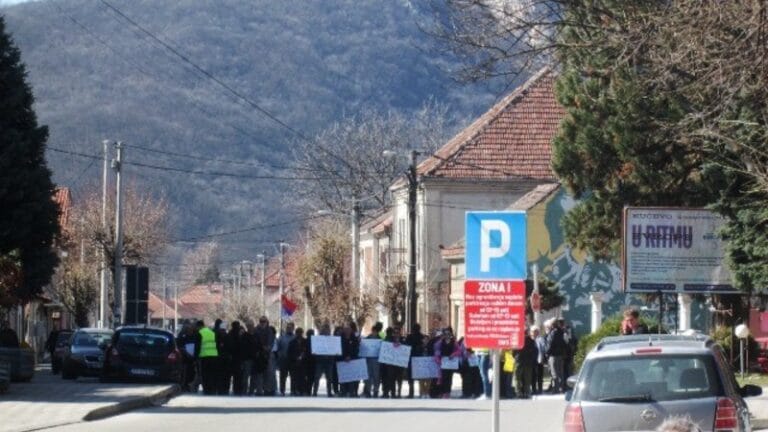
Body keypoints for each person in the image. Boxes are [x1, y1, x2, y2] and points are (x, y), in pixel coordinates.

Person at [433, 327, 459, 399]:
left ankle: (448, 393)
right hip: (443, 362)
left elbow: (458, 351)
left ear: (450, 334)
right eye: (445, 334)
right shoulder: (440, 342)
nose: (447, 335)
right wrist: (438, 360)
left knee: (449, 378)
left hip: (451, 363)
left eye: (448, 333)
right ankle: (443, 392)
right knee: (443, 378)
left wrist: (453, 355)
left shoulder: (454, 342)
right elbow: (436, 351)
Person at [381, 326, 405, 398]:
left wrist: (400, 345)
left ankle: (399, 393)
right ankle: (393, 393)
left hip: (400, 364)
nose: (396, 334)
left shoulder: (403, 340)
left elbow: (406, 350)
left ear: (400, 333)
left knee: (399, 379)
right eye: (395, 333)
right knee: (391, 378)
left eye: (397, 333)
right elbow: (386, 349)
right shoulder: (389, 340)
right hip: (391, 364)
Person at [196, 320, 219, 395]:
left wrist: (196, 356)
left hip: (204, 356)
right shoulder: (212, 332)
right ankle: (213, 389)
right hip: (214, 355)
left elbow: (198, 346)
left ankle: (207, 390)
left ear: (199, 326)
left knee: (205, 374)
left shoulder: (200, 333)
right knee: (212, 373)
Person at [313, 322, 335, 397]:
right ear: (322, 330)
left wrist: (336, 352)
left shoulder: (333, 339)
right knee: (317, 377)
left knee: (329, 378)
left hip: (329, 361)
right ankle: (315, 392)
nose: (326, 331)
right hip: (320, 361)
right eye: (325, 329)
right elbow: (315, 350)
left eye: (327, 329)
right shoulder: (318, 339)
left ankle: (329, 392)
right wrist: (315, 352)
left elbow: (335, 349)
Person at [338, 322, 360, 397]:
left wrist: (350, 356)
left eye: (349, 329)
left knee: (351, 377)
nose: (347, 331)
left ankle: (352, 392)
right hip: (342, 360)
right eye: (346, 329)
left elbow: (356, 349)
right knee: (343, 377)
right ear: (344, 330)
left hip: (352, 360)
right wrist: (344, 357)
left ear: (351, 330)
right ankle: (343, 391)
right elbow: (339, 349)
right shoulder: (340, 339)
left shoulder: (354, 339)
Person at [514, 328, 538, 398]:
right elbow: (534, 351)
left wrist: (516, 357)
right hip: (528, 362)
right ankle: (527, 392)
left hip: (519, 361)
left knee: (518, 378)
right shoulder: (531, 341)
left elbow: (514, 351)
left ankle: (518, 392)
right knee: (527, 378)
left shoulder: (518, 340)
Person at [546, 318, 567, 393]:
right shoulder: (562, 332)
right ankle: (561, 388)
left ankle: (556, 389)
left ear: (552, 325)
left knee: (554, 373)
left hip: (553, 355)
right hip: (560, 355)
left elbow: (550, 344)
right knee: (561, 372)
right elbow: (565, 343)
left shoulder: (553, 333)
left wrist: (547, 353)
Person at [405, 322, 425, 398]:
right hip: (419, 358)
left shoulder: (409, 336)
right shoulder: (422, 337)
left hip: (411, 358)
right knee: (420, 376)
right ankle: (421, 392)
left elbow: (406, 346)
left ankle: (411, 393)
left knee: (410, 377)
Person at [363, 322, 383, 398]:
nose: (374, 333)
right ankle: (368, 391)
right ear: (372, 331)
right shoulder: (367, 339)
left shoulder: (380, 339)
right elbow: (363, 349)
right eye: (373, 331)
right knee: (368, 376)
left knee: (376, 376)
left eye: (375, 331)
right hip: (368, 360)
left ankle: (376, 390)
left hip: (376, 361)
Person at [276, 322, 296, 396]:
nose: (289, 329)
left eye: (290, 328)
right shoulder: (282, 337)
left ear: (293, 328)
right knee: (283, 376)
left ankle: (293, 390)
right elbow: (277, 347)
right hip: (283, 359)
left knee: (293, 376)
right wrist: (279, 355)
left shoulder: (295, 337)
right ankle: (282, 390)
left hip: (292, 360)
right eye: (288, 328)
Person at [287, 327, 308, 396]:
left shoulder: (305, 342)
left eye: (300, 333)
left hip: (303, 362)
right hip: (294, 362)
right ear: (296, 333)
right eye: (298, 333)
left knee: (302, 377)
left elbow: (307, 351)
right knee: (293, 377)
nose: (299, 334)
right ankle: (293, 390)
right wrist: (295, 358)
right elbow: (289, 353)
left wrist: (303, 357)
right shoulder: (292, 342)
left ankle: (302, 390)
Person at [532, 326, 546, 395]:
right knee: (533, 375)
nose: (534, 333)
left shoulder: (540, 339)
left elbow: (543, 349)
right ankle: (534, 389)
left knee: (540, 375)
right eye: (533, 332)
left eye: (535, 331)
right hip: (532, 360)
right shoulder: (531, 339)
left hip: (539, 359)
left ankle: (540, 389)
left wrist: (543, 357)